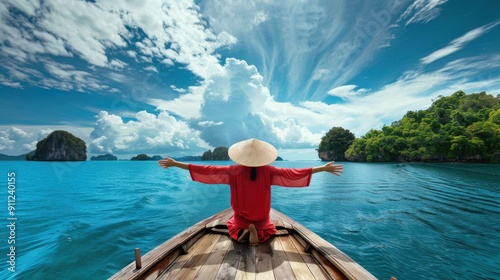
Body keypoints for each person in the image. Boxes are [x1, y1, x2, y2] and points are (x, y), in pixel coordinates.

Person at [158, 138, 343, 246]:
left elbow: (207, 169)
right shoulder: (270, 171)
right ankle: (257, 231)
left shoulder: (232, 171)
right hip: (261, 216)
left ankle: (242, 232)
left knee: (233, 224)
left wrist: (176, 164)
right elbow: (294, 173)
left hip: (242, 216)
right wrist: (322, 169)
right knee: (268, 229)